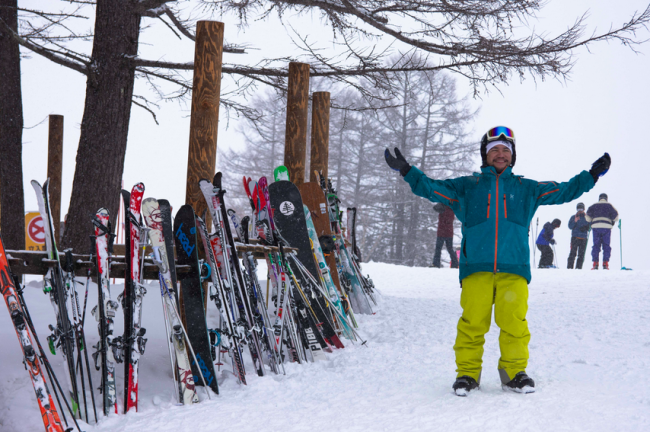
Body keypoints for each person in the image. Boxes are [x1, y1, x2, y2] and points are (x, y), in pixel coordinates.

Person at [384, 125, 610, 396]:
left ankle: (513, 373)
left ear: (512, 156)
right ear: (485, 155)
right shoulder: (466, 187)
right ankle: (467, 374)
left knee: (514, 323)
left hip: (514, 268)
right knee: (472, 323)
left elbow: (565, 191)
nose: (500, 154)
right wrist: (408, 171)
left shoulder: (527, 189)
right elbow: (432, 189)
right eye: (494, 150)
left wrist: (592, 175)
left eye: (506, 150)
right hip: (475, 267)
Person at [586, 193, 619, 270]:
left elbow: (587, 217)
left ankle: (595, 263)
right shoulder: (609, 206)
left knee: (596, 245)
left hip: (596, 227)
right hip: (606, 228)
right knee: (606, 245)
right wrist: (612, 220)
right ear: (606, 198)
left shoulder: (594, 206)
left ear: (599, 198)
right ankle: (605, 263)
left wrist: (592, 220)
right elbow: (616, 217)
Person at [431, 203, 459, 268]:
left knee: (438, 248)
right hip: (449, 233)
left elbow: (434, 207)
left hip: (441, 232)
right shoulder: (452, 209)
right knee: (450, 248)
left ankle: (436, 264)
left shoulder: (442, 208)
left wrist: (441, 202)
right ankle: (455, 263)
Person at [567, 203, 590, 269]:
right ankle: (569, 268)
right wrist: (575, 221)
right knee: (572, 253)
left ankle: (578, 268)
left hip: (583, 238)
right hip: (575, 238)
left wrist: (586, 227)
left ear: (584, 209)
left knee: (581, 255)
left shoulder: (587, 217)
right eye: (578, 209)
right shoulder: (573, 217)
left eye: (581, 209)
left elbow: (590, 227)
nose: (580, 210)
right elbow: (570, 226)